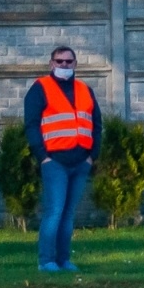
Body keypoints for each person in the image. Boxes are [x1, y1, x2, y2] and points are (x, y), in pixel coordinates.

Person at [24, 45, 102, 273]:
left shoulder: (85, 89)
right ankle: (46, 261)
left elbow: (97, 124)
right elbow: (31, 124)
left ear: (75, 64)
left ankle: (63, 260)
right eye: (60, 61)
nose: (64, 65)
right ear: (51, 64)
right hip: (55, 161)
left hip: (80, 161)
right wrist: (43, 157)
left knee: (68, 215)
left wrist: (92, 156)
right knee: (54, 212)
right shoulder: (41, 88)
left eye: (69, 62)